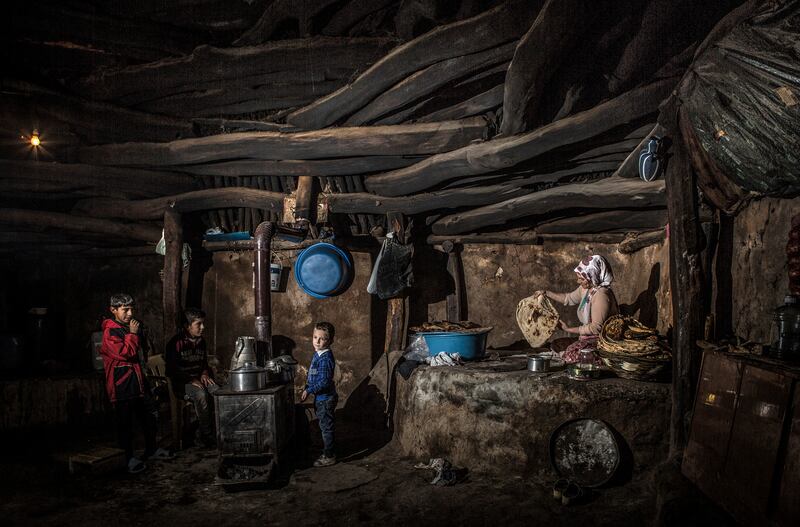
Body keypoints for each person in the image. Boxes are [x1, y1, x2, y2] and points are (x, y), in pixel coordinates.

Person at [100, 293, 171, 474]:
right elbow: (126, 353)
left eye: (131, 309)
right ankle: (129, 459)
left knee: (148, 417)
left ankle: (151, 449)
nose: (130, 313)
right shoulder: (111, 331)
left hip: (138, 380)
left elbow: (141, 353)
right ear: (113, 310)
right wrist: (132, 334)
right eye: (125, 310)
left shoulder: (130, 327)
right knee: (125, 424)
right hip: (122, 383)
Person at [536, 255, 618, 363]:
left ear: (592, 276)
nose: (578, 281)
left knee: (570, 355)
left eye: (581, 278)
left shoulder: (601, 295)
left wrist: (568, 329)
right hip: (586, 338)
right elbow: (568, 298)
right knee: (556, 344)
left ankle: (604, 358)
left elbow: (595, 328)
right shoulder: (587, 288)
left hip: (602, 341)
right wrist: (546, 293)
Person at [165, 308, 218, 447]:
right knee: (201, 394)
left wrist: (205, 373)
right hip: (182, 385)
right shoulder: (175, 343)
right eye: (198, 324)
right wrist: (190, 379)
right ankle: (205, 436)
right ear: (187, 326)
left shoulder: (201, 341)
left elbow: (203, 363)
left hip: (198, 380)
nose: (203, 327)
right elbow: (171, 370)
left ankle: (216, 431)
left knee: (217, 391)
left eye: (203, 323)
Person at [300, 322, 337, 467]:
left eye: (322, 339)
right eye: (315, 337)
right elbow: (314, 375)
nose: (317, 341)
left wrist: (309, 390)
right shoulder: (318, 353)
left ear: (330, 341)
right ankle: (327, 448)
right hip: (320, 398)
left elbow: (324, 382)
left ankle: (330, 455)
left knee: (326, 427)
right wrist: (307, 386)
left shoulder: (326, 358)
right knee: (323, 425)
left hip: (325, 399)